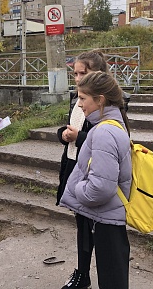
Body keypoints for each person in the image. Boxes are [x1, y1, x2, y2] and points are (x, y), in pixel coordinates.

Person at [60, 71, 132, 289]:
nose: (79, 104)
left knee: (112, 280)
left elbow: (100, 189)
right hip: (109, 215)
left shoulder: (104, 133)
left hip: (106, 219)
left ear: (100, 100)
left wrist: (76, 189)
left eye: (83, 98)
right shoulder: (113, 125)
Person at [56, 50, 110, 289]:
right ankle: (83, 273)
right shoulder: (76, 98)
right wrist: (64, 134)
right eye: (75, 73)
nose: (77, 78)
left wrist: (78, 137)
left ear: (98, 74)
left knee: (92, 227)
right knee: (82, 224)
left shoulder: (106, 101)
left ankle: (88, 273)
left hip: (91, 171)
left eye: (83, 73)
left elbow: (107, 136)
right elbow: (71, 128)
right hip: (72, 164)